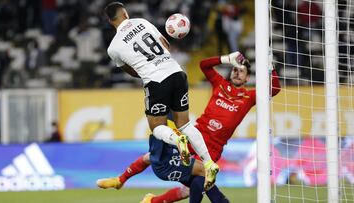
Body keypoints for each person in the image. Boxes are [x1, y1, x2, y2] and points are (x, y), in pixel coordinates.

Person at [97, 51, 281, 203]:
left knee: (191, 187)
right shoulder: (220, 85)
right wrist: (225, 59)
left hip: (213, 149)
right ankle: (121, 180)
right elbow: (204, 65)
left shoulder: (249, 97)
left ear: (248, 77)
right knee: (152, 157)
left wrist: (270, 67)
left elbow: (275, 89)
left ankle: (151, 201)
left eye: (241, 71)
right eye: (234, 69)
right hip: (195, 138)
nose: (237, 72)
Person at [102, 2, 219, 190]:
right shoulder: (142, 22)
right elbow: (165, 45)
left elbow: (131, 70)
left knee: (157, 127)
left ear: (110, 21)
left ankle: (176, 139)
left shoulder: (113, 48)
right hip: (177, 73)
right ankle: (209, 163)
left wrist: (146, 70)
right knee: (185, 124)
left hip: (156, 81)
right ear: (125, 13)